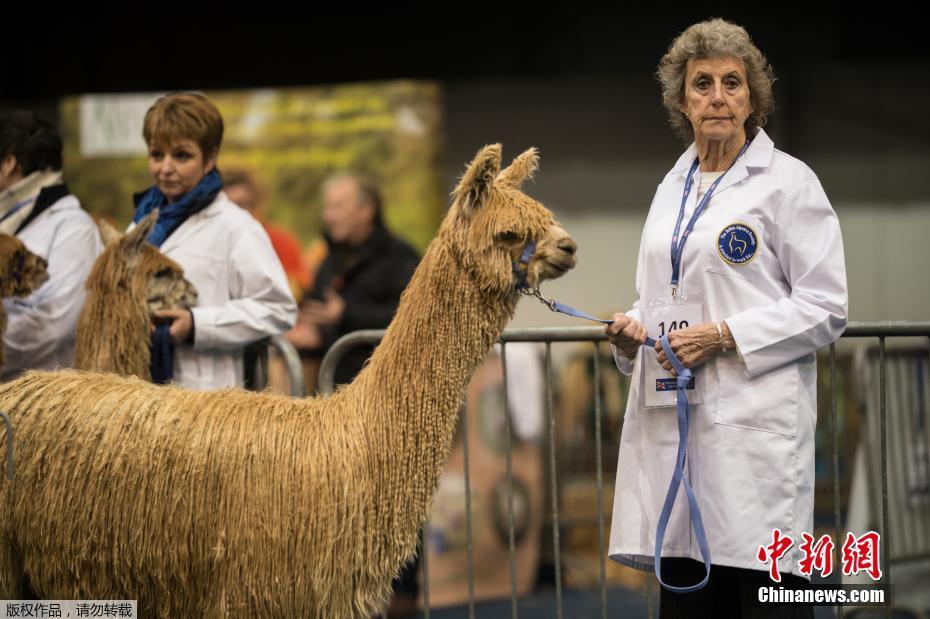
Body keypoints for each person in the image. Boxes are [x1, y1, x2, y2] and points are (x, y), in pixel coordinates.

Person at [605, 19, 848, 618]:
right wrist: (631, 331)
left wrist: (723, 336)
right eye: (702, 84)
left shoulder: (788, 184)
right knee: (690, 599)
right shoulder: (672, 189)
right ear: (682, 102)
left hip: (754, 436)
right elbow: (661, 295)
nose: (717, 96)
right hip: (677, 431)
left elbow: (826, 305)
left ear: (752, 100)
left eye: (732, 83)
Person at [132, 92, 296, 390]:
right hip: (141, 390)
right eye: (157, 155)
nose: (165, 168)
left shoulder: (236, 227)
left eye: (181, 156)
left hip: (206, 394)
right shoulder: (140, 224)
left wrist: (197, 325)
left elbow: (278, 309)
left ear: (209, 158)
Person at [286, 172, 418, 389]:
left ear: (366, 211)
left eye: (337, 207)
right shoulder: (330, 258)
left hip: (385, 391)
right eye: (327, 208)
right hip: (334, 395)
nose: (328, 216)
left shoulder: (400, 258)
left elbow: (413, 317)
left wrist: (346, 314)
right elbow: (319, 307)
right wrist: (309, 330)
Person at [0, 111, 102, 381]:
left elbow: (54, 324)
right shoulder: (8, 223)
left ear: (9, 163)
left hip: (44, 401)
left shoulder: (74, 228)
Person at [224, 168, 309, 301]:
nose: (239, 215)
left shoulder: (281, 241)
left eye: (244, 206)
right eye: (231, 207)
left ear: (258, 205)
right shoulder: (211, 247)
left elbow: (300, 287)